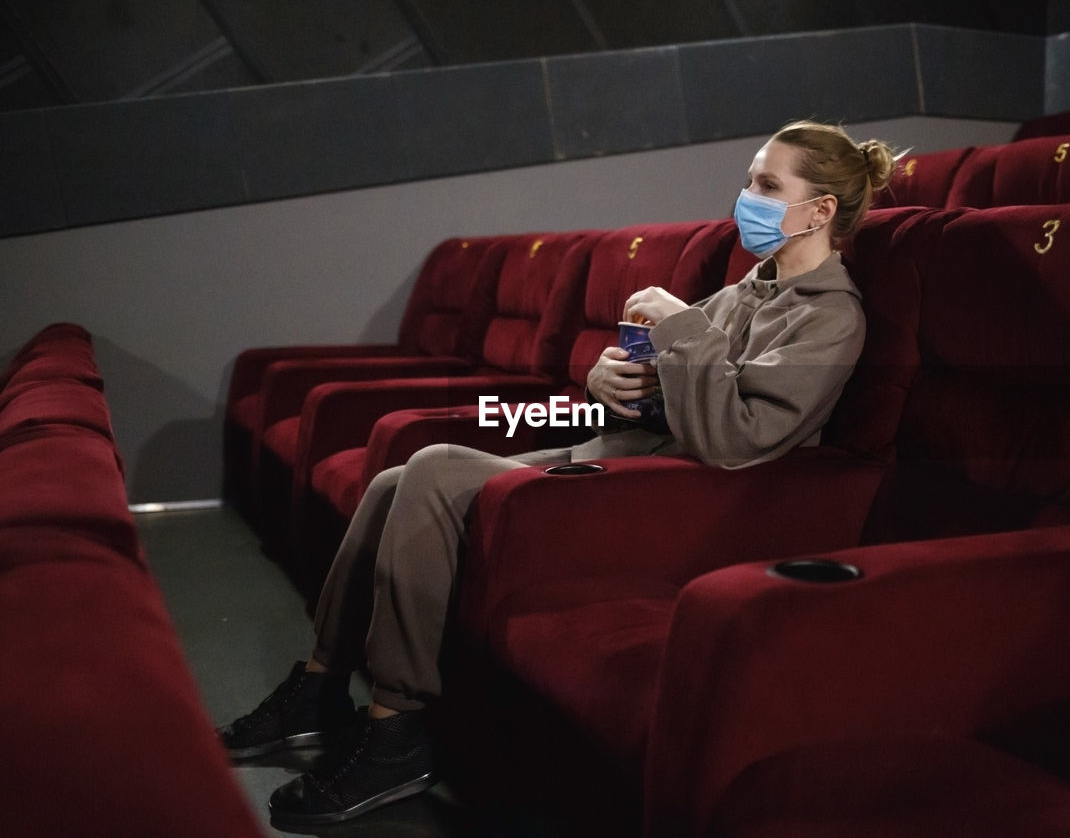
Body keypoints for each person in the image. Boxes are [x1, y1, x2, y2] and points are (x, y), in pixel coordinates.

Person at [218, 120, 895, 827]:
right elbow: (674, 388)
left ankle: (395, 731)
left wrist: (679, 328)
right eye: (748, 180)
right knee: (392, 483)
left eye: (765, 185)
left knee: (433, 464)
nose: (744, 198)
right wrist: (610, 379)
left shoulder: (832, 317)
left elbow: (739, 439)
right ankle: (321, 683)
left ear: (820, 210)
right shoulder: (743, 292)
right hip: (622, 459)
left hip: (683, 501)